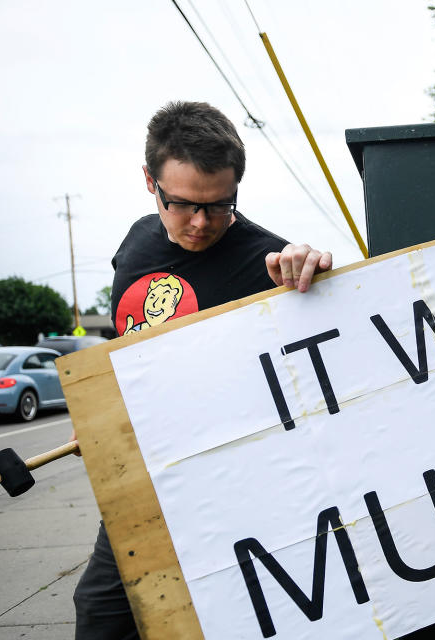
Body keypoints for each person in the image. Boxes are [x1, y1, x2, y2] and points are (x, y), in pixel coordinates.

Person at [71, 101, 332, 639]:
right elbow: (127, 351)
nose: (201, 222)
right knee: (102, 614)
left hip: (230, 485)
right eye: (184, 205)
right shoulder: (137, 241)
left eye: (220, 205)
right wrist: (100, 417)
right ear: (150, 182)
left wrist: (315, 274)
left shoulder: (270, 265)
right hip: (144, 478)